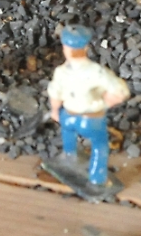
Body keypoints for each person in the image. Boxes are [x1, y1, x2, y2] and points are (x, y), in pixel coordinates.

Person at [45, 25, 132, 193]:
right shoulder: (97, 72)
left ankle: (68, 156)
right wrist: (106, 102)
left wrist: (55, 111)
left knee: (67, 132)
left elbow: (55, 94)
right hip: (91, 119)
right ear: (85, 48)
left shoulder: (61, 72)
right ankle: (97, 179)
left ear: (65, 49)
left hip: (68, 115)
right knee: (100, 145)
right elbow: (121, 92)